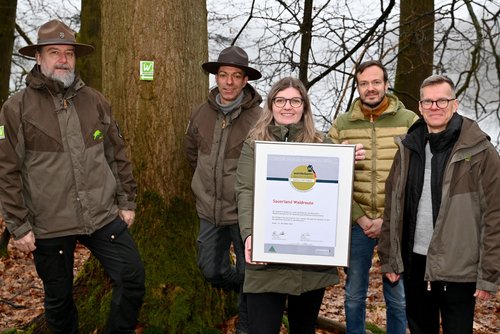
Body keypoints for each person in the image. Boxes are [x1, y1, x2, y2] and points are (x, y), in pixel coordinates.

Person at [0, 20, 145, 333]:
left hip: (102, 215)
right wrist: (18, 225)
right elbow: (6, 169)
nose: (63, 59)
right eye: (54, 52)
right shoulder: (16, 109)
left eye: (68, 53)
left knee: (132, 277)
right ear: (38, 57)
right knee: (60, 300)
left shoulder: (95, 101)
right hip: (50, 223)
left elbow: (116, 153)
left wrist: (127, 200)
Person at [235, 77, 365, 334]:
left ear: (304, 107)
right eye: (280, 100)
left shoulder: (323, 144)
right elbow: (245, 190)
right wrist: (250, 234)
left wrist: (345, 162)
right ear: (271, 105)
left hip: (310, 263)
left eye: (295, 100)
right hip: (266, 258)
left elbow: (333, 196)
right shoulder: (254, 145)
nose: (287, 106)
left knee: (303, 329)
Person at [378, 74, 500, 334]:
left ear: (455, 104)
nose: (435, 107)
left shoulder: (480, 152)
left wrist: (488, 274)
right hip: (414, 265)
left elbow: (495, 215)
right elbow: (392, 207)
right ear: (420, 107)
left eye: (442, 101)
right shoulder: (408, 148)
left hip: (458, 268)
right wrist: (389, 259)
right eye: (428, 102)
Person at [328, 60, 418, 334]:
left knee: (398, 295)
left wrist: (389, 217)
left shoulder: (410, 121)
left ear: (386, 84)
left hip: (397, 222)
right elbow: (331, 177)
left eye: (376, 82)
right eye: (364, 83)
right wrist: (360, 217)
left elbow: (416, 176)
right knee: (354, 292)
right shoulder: (342, 124)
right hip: (358, 223)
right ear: (357, 86)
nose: (370, 88)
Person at [184, 45, 263, 334]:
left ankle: (245, 323)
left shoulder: (260, 119)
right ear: (216, 77)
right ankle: (238, 291)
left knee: (249, 273)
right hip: (208, 209)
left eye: (236, 76)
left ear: (245, 81)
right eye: (223, 75)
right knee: (211, 270)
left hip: (244, 214)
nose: (229, 82)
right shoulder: (200, 114)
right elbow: (191, 153)